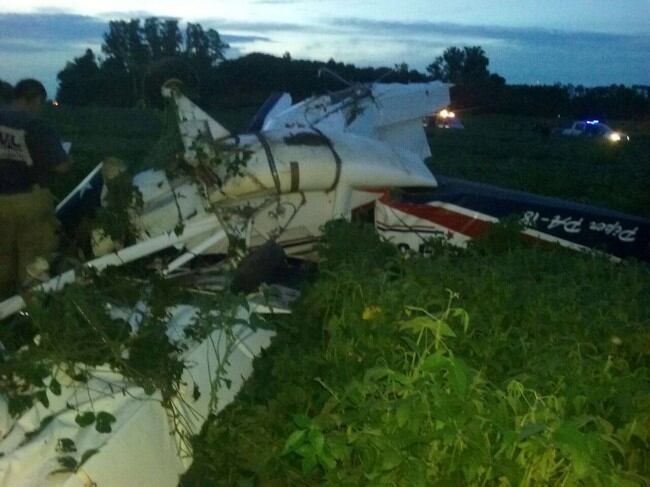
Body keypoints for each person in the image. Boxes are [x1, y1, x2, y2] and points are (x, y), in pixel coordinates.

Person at [0, 79, 71, 299]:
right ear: (36, 99)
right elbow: (61, 166)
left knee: (2, 261)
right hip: (30, 202)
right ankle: (31, 318)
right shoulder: (36, 125)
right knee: (34, 265)